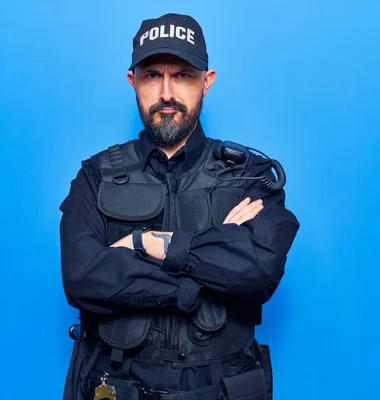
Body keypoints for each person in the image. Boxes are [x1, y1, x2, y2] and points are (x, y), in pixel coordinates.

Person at [59, 12, 299, 400]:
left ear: (207, 82)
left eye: (183, 75)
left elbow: (258, 271)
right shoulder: (96, 175)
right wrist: (198, 280)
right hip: (117, 386)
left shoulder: (250, 176)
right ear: (132, 82)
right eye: (153, 75)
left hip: (223, 388)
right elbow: (83, 278)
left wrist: (147, 243)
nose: (167, 92)